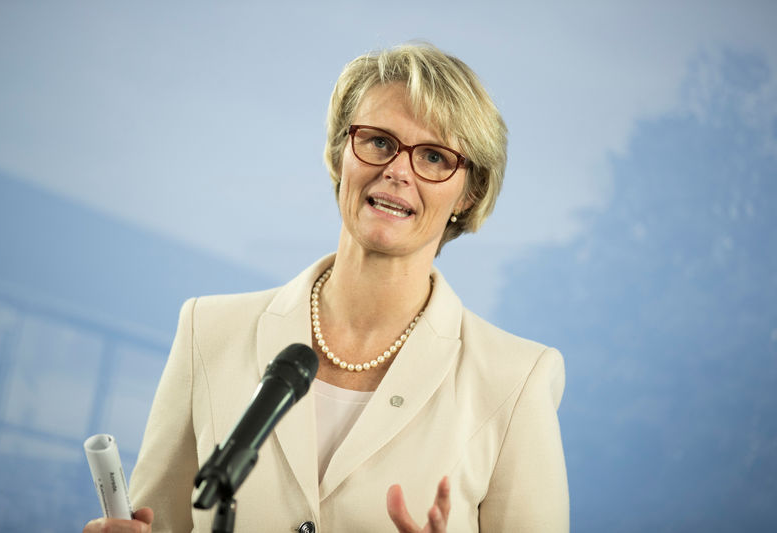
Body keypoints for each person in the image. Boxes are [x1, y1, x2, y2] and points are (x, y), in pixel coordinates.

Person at [84, 43, 568, 533]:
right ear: (341, 154)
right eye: (379, 142)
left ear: (469, 193)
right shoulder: (207, 332)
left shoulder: (516, 381)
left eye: (434, 156)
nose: (397, 170)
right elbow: (160, 523)